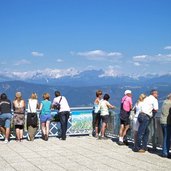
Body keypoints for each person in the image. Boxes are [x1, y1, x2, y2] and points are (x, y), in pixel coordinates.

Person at [160, 93, 171, 157]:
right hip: (167, 122)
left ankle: (164, 151)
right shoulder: (170, 103)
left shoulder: (164, 102)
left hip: (162, 121)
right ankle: (165, 152)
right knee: (167, 138)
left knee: (165, 137)